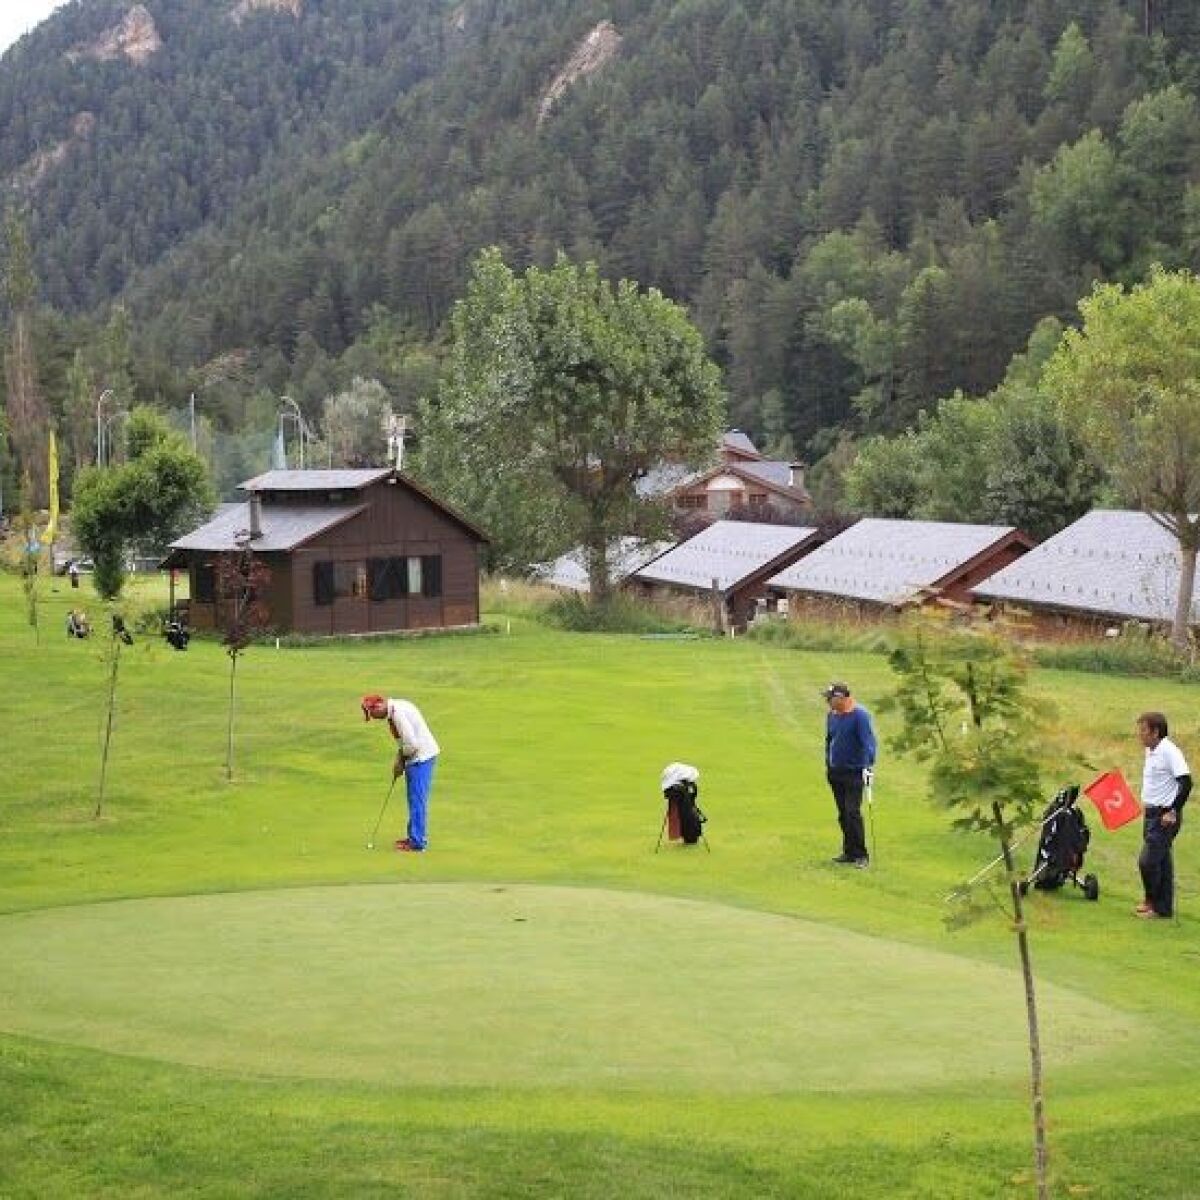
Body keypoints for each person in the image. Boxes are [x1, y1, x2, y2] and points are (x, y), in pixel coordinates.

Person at [361, 694, 441, 852]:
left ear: (378, 707)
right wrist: (400, 759)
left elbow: (412, 744)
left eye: (372, 715)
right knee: (414, 800)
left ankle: (417, 842)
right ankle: (414, 837)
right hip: (418, 756)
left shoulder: (397, 714)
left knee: (417, 800)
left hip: (421, 758)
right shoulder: (395, 708)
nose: (374, 718)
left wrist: (401, 761)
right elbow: (406, 743)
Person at [1135, 711, 1191, 920]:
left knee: (1147, 861)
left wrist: (1173, 811)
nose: (1139, 735)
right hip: (1150, 814)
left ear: (1155, 732)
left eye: (1143, 730)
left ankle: (1152, 903)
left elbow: (1186, 783)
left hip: (1164, 817)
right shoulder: (1151, 750)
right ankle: (1164, 908)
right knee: (1162, 862)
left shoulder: (1170, 752)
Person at [823, 681, 877, 869]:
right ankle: (849, 852)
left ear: (840, 698)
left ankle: (861, 855)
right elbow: (829, 740)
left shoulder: (860, 716)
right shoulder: (832, 715)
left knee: (852, 813)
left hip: (854, 772)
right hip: (835, 772)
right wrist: (828, 765)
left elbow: (868, 743)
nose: (828, 702)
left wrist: (868, 766)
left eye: (830, 699)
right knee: (842, 814)